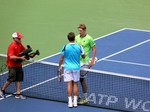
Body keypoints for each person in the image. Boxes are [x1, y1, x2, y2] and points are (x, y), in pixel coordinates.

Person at [58, 32, 85, 108]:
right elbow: (83, 56)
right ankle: (75, 102)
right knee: (75, 84)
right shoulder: (79, 46)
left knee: (69, 84)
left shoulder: (65, 46)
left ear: (68, 38)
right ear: (74, 38)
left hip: (68, 68)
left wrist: (59, 66)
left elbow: (61, 58)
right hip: (76, 68)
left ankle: (70, 102)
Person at [0, 32, 27, 99]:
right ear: (14, 38)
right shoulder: (11, 46)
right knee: (11, 79)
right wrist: (20, 58)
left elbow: (25, 50)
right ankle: (2, 90)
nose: (20, 39)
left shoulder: (20, 44)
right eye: (19, 38)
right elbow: (11, 57)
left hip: (19, 64)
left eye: (20, 38)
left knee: (18, 79)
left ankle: (18, 94)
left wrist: (28, 51)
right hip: (12, 65)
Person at [75, 24, 96, 104]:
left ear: (84, 30)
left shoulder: (89, 38)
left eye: (80, 30)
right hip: (76, 62)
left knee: (81, 79)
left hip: (84, 62)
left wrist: (92, 60)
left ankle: (85, 97)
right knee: (75, 79)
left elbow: (94, 49)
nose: (79, 32)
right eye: (78, 30)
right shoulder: (76, 38)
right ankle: (77, 96)